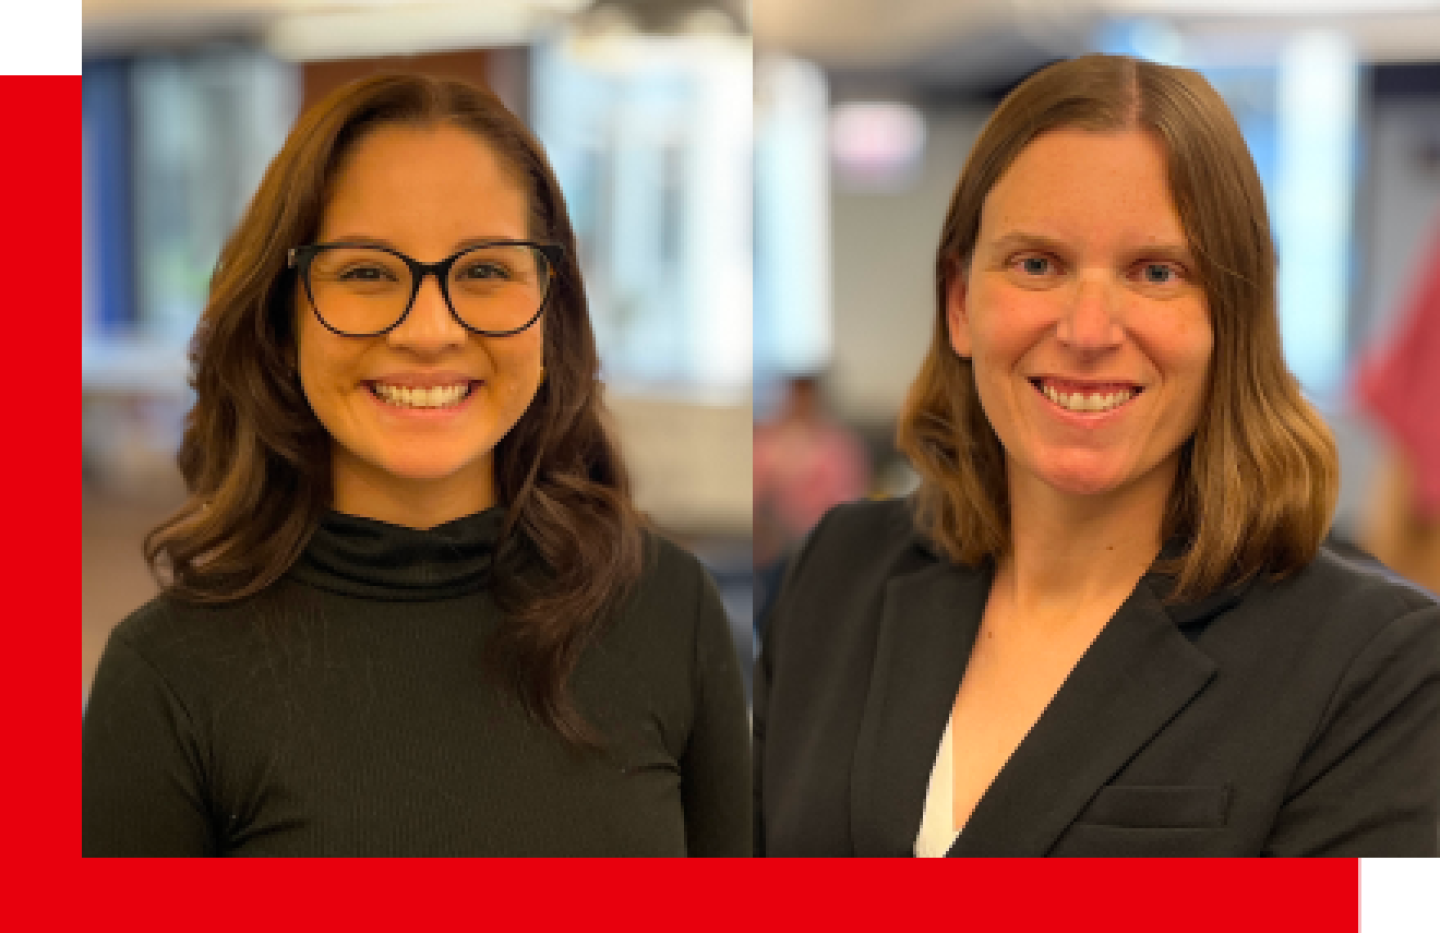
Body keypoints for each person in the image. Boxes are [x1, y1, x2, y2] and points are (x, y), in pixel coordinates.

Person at [753, 54, 1440, 857]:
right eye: (1037, 263)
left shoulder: (1374, 667)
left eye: (1156, 272)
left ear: (1234, 322)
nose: (1087, 330)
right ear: (961, 303)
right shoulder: (838, 573)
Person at [82, 73, 751, 857]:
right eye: (366, 272)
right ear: (282, 313)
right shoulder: (166, 677)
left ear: (552, 304)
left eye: (486, 271)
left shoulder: (670, 609)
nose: (430, 330)